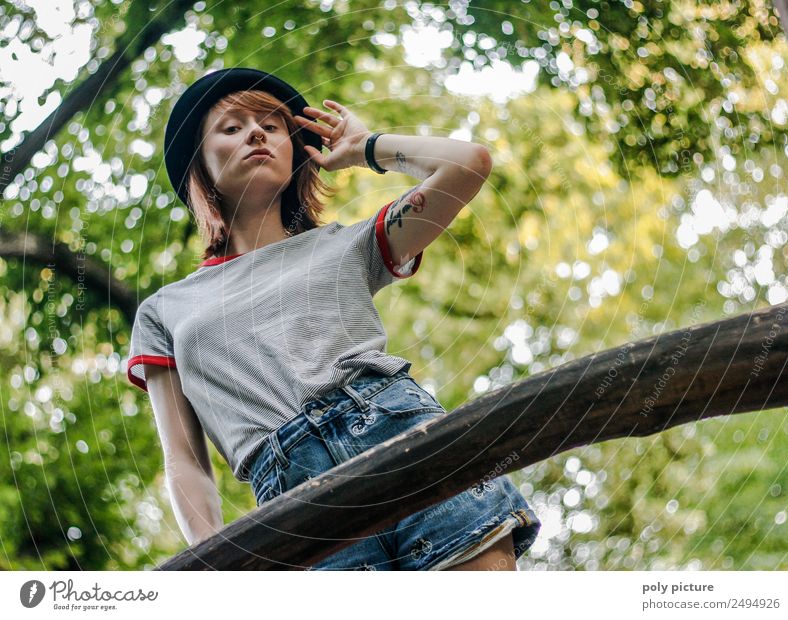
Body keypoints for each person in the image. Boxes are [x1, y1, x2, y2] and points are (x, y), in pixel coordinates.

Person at [126, 67, 540, 570]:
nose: (257, 132)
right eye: (231, 127)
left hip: (406, 437)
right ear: (198, 166)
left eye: (273, 125)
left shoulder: (348, 243)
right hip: (292, 505)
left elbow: (469, 164)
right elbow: (185, 462)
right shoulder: (164, 312)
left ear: (296, 150)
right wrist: (219, 570)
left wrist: (367, 146)